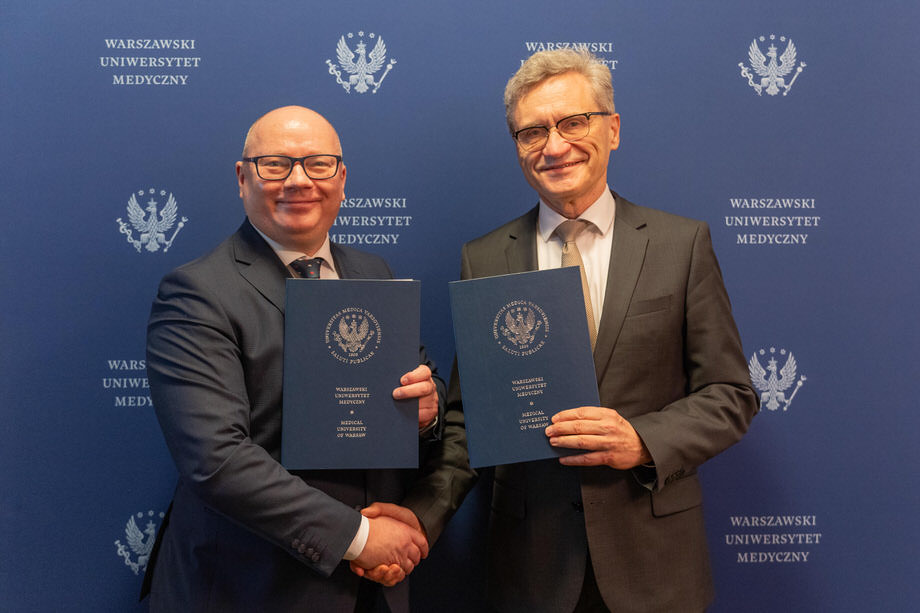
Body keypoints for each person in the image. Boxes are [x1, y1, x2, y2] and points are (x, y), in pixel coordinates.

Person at [426, 49, 759, 612]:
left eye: (572, 122)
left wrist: (643, 441)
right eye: (532, 132)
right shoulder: (484, 257)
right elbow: (469, 421)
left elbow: (731, 395)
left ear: (612, 129)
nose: (554, 146)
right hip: (531, 572)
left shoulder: (682, 245)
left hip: (655, 567)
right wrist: (419, 517)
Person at [142, 105, 464, 612]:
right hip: (250, 589)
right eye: (276, 164)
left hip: (372, 589)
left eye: (318, 164)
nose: (299, 181)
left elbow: (424, 389)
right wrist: (360, 537)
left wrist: (424, 412)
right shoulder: (197, 293)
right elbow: (217, 460)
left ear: (341, 179)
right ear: (241, 177)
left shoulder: (373, 273)